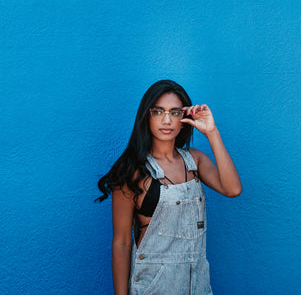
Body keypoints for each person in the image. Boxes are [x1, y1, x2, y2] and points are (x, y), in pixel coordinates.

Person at [97, 80, 242, 294]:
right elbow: (121, 242)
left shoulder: (195, 161)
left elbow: (233, 189)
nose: (167, 120)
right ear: (147, 116)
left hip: (197, 285)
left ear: (184, 119)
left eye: (174, 112)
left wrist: (212, 132)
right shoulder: (132, 172)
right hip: (153, 287)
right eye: (158, 112)